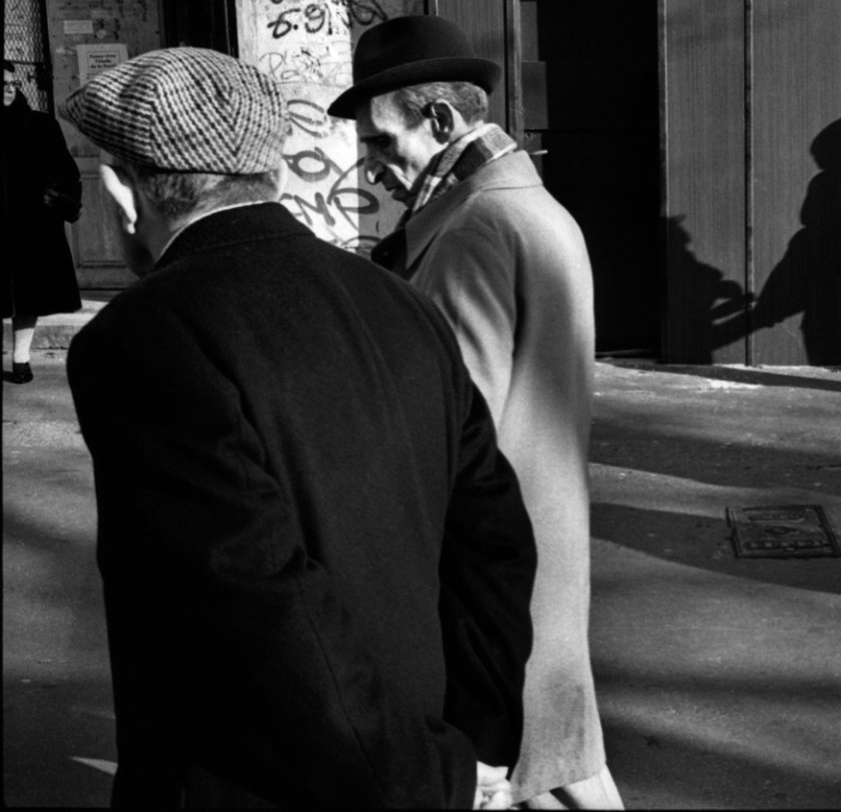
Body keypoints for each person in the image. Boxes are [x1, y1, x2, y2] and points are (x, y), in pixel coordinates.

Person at [61, 47, 537, 808]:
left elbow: (248, 599)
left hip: (269, 776)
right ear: (267, 169)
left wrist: (416, 778)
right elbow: (493, 539)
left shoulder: (140, 337)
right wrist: (475, 745)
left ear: (122, 190)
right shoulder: (396, 299)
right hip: (420, 736)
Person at [330, 15, 623, 810]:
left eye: (384, 143)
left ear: (442, 120)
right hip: (540, 525)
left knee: (510, 757)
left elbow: (450, 421)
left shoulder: (474, 226)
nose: (376, 168)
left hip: (489, 548)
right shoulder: (526, 206)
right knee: (556, 749)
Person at [3, 58, 82, 384]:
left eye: (13, 84)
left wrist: (55, 199)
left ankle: (21, 359)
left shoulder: (39, 124)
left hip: (30, 222)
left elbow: (65, 170)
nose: (10, 89)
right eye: (2, 85)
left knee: (28, 293)